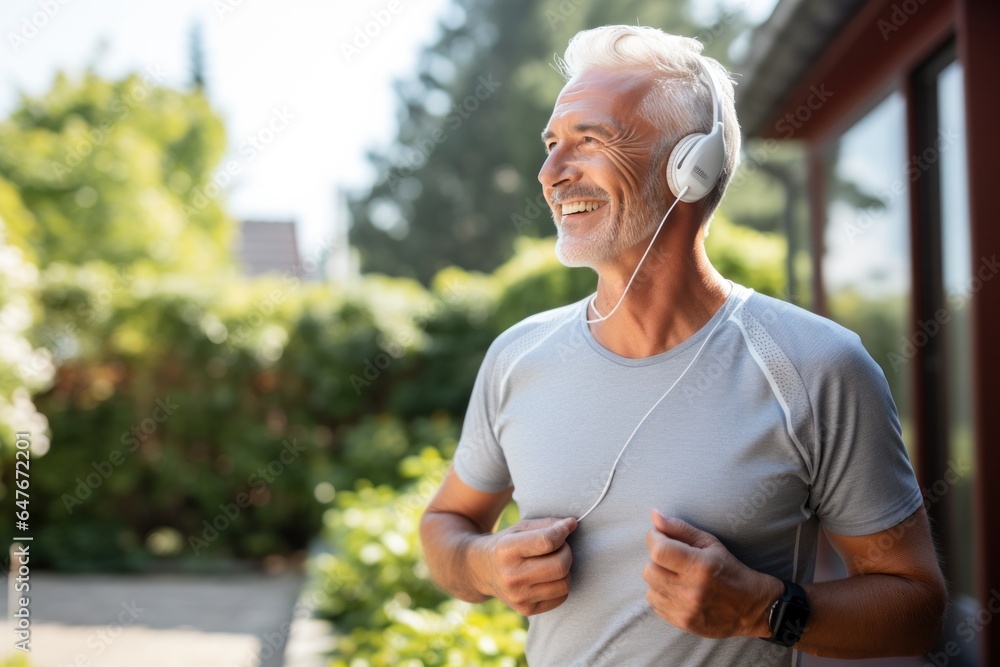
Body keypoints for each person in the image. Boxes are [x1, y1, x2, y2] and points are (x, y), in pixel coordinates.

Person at [419, 25, 946, 666]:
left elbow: (916, 609)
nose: (550, 173)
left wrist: (765, 609)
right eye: (552, 143)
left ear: (688, 168)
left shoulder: (816, 366)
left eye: (589, 139)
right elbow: (444, 527)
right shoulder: (517, 357)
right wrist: (482, 567)